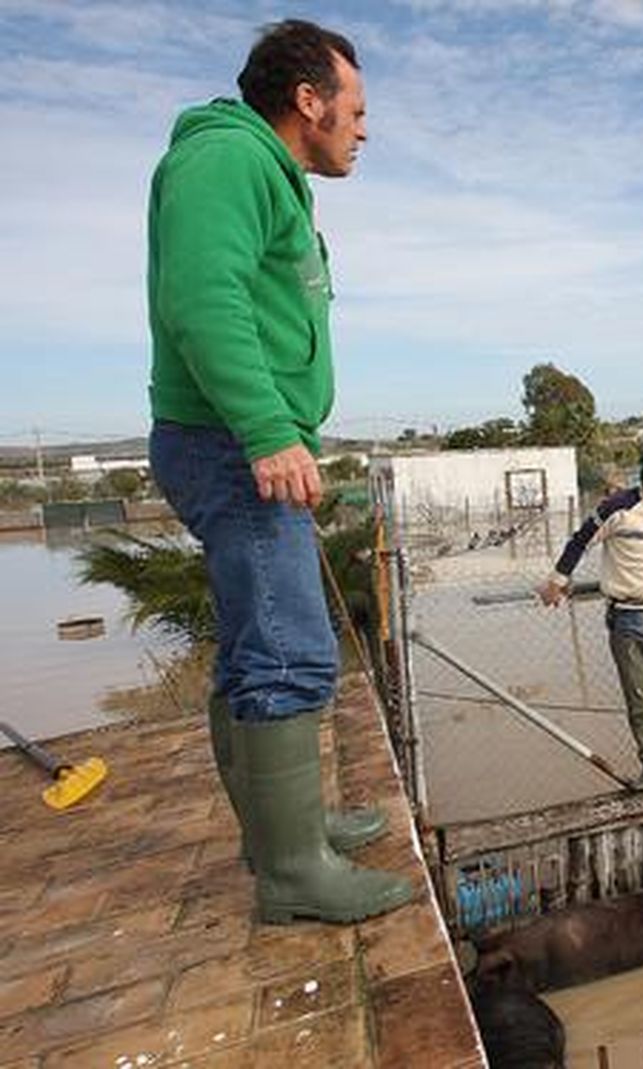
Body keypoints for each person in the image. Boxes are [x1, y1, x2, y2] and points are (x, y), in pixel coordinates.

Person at [146, 20, 411, 924]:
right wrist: (265, 432)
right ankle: (293, 873)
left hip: (237, 439)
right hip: (227, 440)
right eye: (358, 107)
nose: (363, 128)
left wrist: (284, 431)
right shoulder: (227, 161)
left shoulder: (267, 173)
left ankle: (281, 835)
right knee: (293, 650)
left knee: (257, 643)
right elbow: (203, 299)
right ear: (309, 100)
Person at [540, 451, 643, 790]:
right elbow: (579, 541)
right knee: (638, 698)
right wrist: (557, 581)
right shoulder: (617, 510)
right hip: (626, 620)